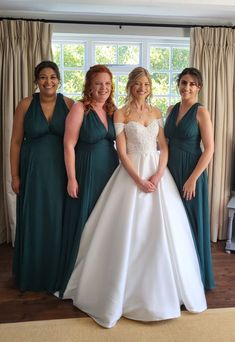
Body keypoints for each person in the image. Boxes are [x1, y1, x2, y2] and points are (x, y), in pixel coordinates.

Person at [59, 67, 207, 328]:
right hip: (131, 175)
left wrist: (159, 175)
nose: (142, 88)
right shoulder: (121, 113)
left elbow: (164, 147)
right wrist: (138, 179)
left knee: (163, 233)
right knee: (127, 231)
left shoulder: (158, 112)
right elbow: (122, 153)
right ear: (130, 87)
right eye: (137, 84)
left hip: (158, 177)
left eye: (146, 84)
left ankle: (168, 290)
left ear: (150, 87)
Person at [10, 60, 74, 292]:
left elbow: (74, 142)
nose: (48, 82)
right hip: (33, 171)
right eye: (43, 77)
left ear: (59, 80)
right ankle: (32, 273)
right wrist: (15, 175)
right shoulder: (26, 104)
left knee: (57, 219)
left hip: (60, 171)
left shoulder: (69, 103)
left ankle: (56, 273)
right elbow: (16, 142)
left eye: (53, 77)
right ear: (36, 81)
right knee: (34, 218)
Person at [56, 65, 119, 296]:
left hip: (110, 172)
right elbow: (68, 145)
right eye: (98, 83)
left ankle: (102, 276)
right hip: (86, 171)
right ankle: (78, 279)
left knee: (105, 222)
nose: (103, 88)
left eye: (107, 84)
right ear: (89, 86)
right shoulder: (80, 108)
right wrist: (72, 178)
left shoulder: (112, 110)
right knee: (85, 221)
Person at [164, 67, 215, 290]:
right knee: (174, 224)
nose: (186, 87)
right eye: (183, 82)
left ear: (199, 87)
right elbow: (163, 142)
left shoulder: (200, 111)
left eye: (192, 84)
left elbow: (209, 149)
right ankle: (176, 275)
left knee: (192, 223)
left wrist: (193, 178)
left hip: (191, 173)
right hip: (170, 172)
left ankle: (195, 279)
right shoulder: (171, 108)